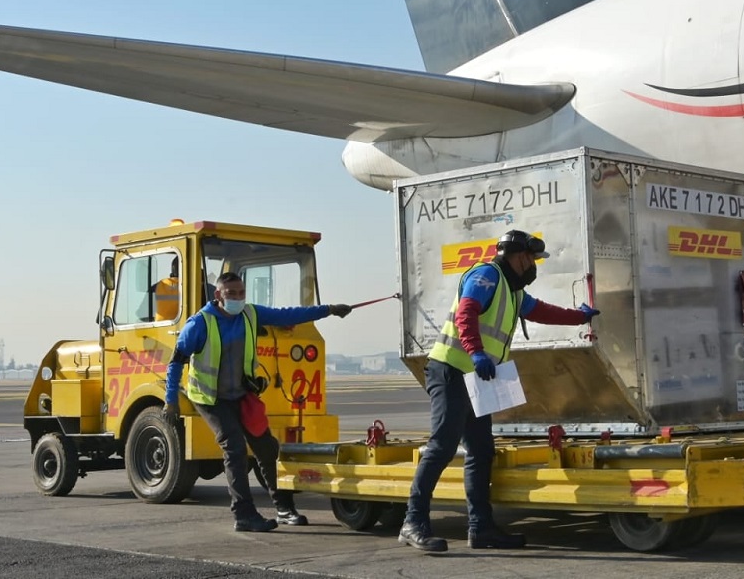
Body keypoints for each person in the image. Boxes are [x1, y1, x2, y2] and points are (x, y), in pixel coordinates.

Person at [398, 230, 600, 552]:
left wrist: (579, 317)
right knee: (442, 447)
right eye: (532, 259)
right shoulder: (487, 275)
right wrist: (476, 351)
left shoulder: (513, 290)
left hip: (477, 378)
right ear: (519, 256)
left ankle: (481, 528)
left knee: (481, 451)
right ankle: (414, 522)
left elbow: (543, 311)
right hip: (451, 370)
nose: (534, 266)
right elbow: (466, 312)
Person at [162, 271, 353, 533]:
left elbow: (288, 315)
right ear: (218, 295)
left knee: (267, 448)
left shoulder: (250, 314)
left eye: (241, 293)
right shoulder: (199, 324)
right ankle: (244, 515)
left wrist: (328, 310)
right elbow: (175, 362)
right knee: (235, 449)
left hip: (241, 395)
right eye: (232, 294)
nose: (238, 298)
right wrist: (170, 400)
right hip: (210, 398)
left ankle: (284, 507)